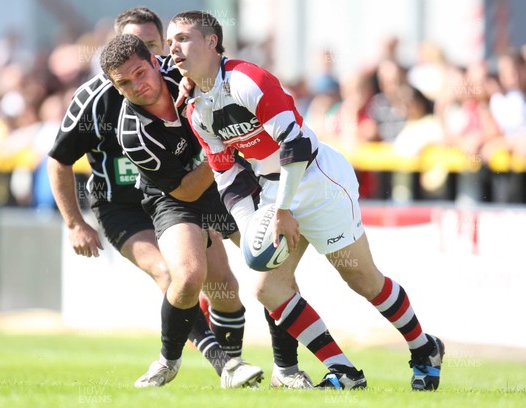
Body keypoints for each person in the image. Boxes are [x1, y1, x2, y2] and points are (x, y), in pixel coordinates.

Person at [166, 10, 445, 391]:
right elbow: (227, 176)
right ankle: (344, 371)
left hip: (317, 179)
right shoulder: (197, 109)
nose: (173, 48)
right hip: (273, 188)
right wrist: (251, 228)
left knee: (363, 280)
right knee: (266, 288)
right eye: (169, 42)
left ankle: (423, 348)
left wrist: (281, 211)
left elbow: (295, 144)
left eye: (182, 38)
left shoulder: (248, 79)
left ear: (212, 41)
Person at [47, 8, 259, 388]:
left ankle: (239, 367)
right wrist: (75, 223)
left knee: (223, 283)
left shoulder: (183, 76)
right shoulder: (93, 100)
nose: (143, 58)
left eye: (150, 47)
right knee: (172, 272)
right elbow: (58, 161)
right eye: (133, 45)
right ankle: (218, 363)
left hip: (182, 193)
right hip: (122, 205)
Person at [99, 33, 266, 389]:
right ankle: (169, 359)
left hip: (226, 175)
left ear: (155, 62)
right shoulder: (132, 134)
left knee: (254, 273)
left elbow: (230, 74)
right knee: (189, 277)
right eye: (124, 83)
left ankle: (274, 367)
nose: (136, 86)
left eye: (140, 73)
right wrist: (221, 150)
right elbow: (186, 190)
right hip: (176, 195)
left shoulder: (187, 73)